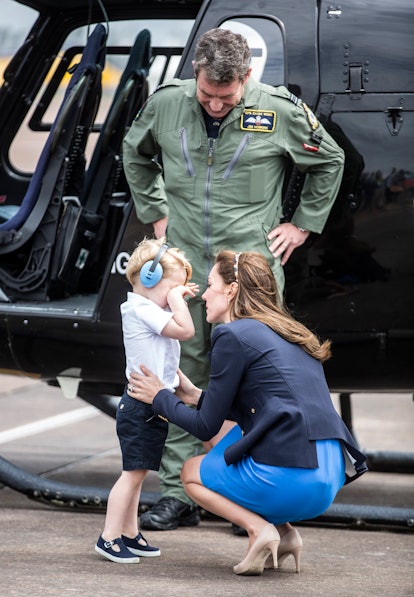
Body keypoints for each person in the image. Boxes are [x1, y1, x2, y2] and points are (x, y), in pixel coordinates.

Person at [123, 27, 345, 531]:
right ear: (194, 76)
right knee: (178, 363)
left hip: (245, 269)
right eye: (206, 94)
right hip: (182, 261)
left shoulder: (279, 110)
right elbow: (134, 153)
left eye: (226, 96)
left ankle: (244, 484)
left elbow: (329, 160)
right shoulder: (167, 104)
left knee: (251, 374)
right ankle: (179, 493)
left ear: (247, 78)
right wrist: (156, 212)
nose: (216, 105)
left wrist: (302, 224)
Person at [126, 250, 368, 575]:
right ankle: (285, 534)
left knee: (190, 473)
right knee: (222, 443)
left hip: (292, 477)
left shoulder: (231, 334)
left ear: (231, 289)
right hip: (327, 477)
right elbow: (267, 406)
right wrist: (195, 394)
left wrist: (160, 398)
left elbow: (204, 425)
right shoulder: (288, 331)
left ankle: (259, 529)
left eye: (211, 284)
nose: (205, 294)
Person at [95, 237, 198, 563]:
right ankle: (108, 537)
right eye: (172, 289)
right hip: (140, 405)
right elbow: (185, 332)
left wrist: (181, 382)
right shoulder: (142, 308)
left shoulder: (149, 310)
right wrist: (178, 301)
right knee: (132, 474)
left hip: (152, 403)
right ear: (150, 279)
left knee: (139, 472)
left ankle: (129, 532)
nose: (174, 297)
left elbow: (164, 355)